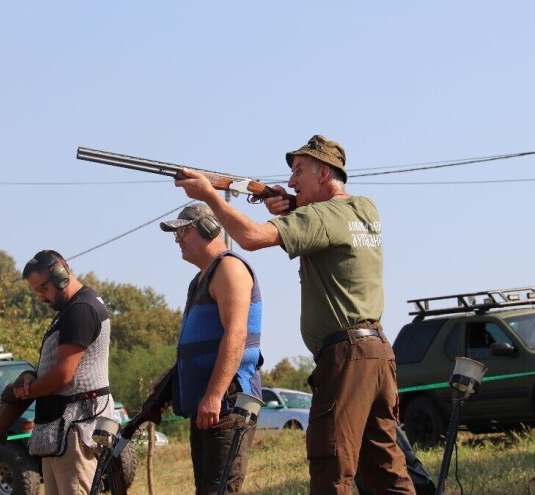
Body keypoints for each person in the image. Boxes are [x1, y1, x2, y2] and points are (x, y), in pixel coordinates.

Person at [173, 136, 414, 494]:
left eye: (299, 171)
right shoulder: (366, 209)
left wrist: (209, 195)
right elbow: (332, 227)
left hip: (345, 357)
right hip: (378, 354)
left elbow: (252, 237)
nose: (291, 181)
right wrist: (292, 210)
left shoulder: (320, 214)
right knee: (385, 470)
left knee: (330, 465)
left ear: (325, 173)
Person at [158, 203, 263, 494]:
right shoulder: (200, 279)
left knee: (221, 490)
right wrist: (172, 378)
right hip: (209, 403)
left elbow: (236, 334)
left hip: (227, 401)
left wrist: (215, 395)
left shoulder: (230, 268)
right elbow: (202, 342)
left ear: (206, 228)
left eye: (183, 231)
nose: (177, 239)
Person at [12, 250, 114, 494]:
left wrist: (24, 392)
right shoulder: (71, 309)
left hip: (74, 431)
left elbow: (62, 376)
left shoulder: (80, 310)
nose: (40, 297)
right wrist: (32, 377)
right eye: (36, 290)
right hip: (63, 431)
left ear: (61, 273)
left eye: (43, 288)